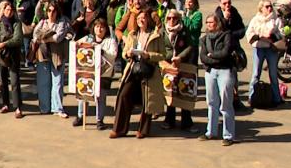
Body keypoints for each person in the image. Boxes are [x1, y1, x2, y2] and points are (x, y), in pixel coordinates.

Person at [110, 8, 165, 138]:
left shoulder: (156, 36)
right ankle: (119, 129)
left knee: (147, 100)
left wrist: (148, 55)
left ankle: (143, 130)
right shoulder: (132, 34)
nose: (141, 20)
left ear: (148, 20)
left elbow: (163, 55)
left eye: (143, 18)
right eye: (139, 18)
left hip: (148, 71)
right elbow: (124, 52)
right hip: (133, 69)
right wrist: (127, 54)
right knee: (124, 95)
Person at [72, 18, 118, 130]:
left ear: (106, 29)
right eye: (97, 27)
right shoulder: (88, 38)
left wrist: (101, 51)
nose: (99, 29)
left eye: (102, 27)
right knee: (83, 94)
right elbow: (76, 45)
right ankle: (80, 115)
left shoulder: (110, 41)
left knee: (101, 97)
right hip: (88, 72)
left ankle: (99, 120)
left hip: (104, 74)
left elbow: (113, 54)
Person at [199, 14, 237, 146]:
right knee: (211, 103)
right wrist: (213, 59)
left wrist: (212, 56)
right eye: (207, 22)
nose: (209, 24)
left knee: (225, 104)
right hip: (210, 72)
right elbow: (203, 57)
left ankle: (228, 135)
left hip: (225, 71)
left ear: (218, 23)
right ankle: (211, 132)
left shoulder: (226, 35)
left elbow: (225, 53)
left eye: (212, 22)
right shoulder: (205, 39)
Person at [31, 2, 72, 119]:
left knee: (57, 82)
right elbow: (35, 36)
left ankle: (57, 108)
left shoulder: (62, 22)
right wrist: (44, 38)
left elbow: (58, 37)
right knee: (43, 82)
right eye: (49, 10)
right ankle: (44, 108)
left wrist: (44, 38)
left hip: (57, 55)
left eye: (53, 11)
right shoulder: (42, 22)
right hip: (42, 55)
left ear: (57, 12)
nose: (51, 13)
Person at [161, 9, 197, 131]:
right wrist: (165, 58)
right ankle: (169, 120)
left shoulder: (183, 30)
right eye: (169, 18)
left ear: (179, 19)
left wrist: (180, 57)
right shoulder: (162, 31)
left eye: (174, 18)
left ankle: (187, 122)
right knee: (170, 92)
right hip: (168, 65)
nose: (172, 20)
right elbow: (160, 46)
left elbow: (190, 45)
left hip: (183, 64)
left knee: (184, 92)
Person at [245, 0, 284, 107]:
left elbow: (282, 33)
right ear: (261, 8)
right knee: (256, 74)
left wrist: (272, 37)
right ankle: (252, 96)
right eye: (266, 6)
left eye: (270, 6)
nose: (269, 8)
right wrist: (259, 37)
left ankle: (277, 97)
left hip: (272, 48)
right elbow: (249, 33)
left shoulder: (276, 19)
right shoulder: (255, 19)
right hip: (259, 48)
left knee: (273, 73)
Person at [0, 1, 24, 116]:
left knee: (15, 81)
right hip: (1, 56)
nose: (9, 12)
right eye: (7, 10)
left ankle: (17, 107)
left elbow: (18, 39)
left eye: (11, 10)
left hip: (13, 55)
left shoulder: (17, 23)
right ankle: (5, 103)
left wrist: (5, 43)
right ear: (3, 11)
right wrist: (1, 43)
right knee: (3, 81)